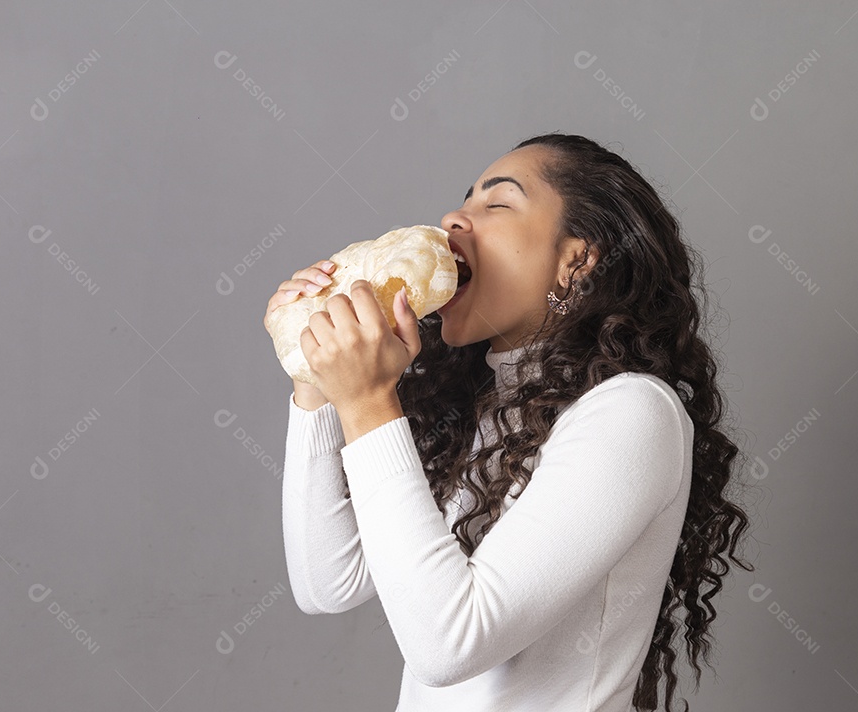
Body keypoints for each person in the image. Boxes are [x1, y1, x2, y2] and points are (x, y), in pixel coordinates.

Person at [264, 133, 753, 711]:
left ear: (577, 258)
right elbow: (328, 585)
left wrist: (369, 402)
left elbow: (449, 645)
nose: (454, 217)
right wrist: (316, 381)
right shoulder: (479, 406)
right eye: (464, 200)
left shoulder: (632, 413)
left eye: (496, 204)